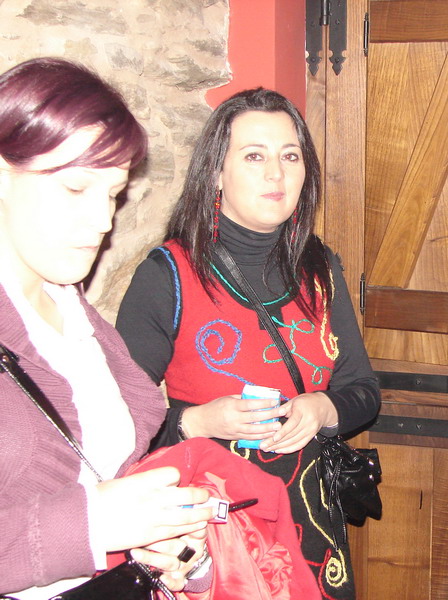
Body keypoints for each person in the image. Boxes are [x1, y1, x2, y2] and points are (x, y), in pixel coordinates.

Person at [116, 87, 381, 600]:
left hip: (312, 521)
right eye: (254, 156)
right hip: (215, 533)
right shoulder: (168, 274)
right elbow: (117, 422)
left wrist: (322, 408)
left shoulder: (320, 267)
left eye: (290, 156)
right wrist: (196, 422)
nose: (276, 174)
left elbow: (363, 390)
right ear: (216, 172)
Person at [0, 58, 215, 599]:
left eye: (114, 195)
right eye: (76, 188)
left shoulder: (74, 311)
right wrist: (93, 525)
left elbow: (102, 480)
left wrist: (160, 546)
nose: (102, 222)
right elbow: (86, 518)